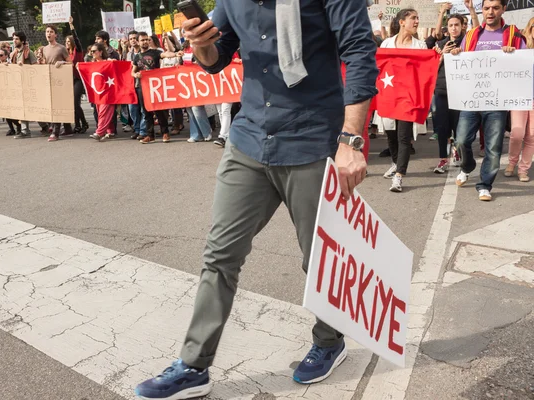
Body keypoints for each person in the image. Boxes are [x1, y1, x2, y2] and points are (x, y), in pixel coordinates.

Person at [134, 0, 377, 398]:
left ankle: (331, 341)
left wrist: (351, 139)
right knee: (219, 254)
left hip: (313, 139)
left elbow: (359, 51)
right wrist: (200, 43)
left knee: (319, 259)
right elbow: (216, 59)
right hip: (249, 139)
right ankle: (194, 365)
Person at [451, 0, 526, 201]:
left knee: (493, 147)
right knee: (460, 140)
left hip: (497, 103)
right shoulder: (472, 34)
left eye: (495, 8)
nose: (490, 12)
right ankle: (467, 166)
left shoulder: (514, 35)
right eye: (486, 8)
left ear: (503, 9)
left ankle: (484, 184)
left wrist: (515, 55)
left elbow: (526, 65)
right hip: (472, 99)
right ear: (481, 10)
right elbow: (464, 61)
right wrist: (457, 54)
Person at [379, 9, 427, 193]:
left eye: (417, 18)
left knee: (404, 137)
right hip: (389, 96)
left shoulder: (420, 45)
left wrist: (437, 57)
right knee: (391, 134)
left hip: (408, 99)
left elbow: (425, 71)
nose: (416, 21)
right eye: (413, 18)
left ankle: (399, 176)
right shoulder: (387, 43)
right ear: (401, 21)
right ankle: (395, 162)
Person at [432, 13, 466, 173]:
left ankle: (457, 153)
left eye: (457, 25)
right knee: (442, 128)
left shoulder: (468, 42)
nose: (454, 28)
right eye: (451, 25)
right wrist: (442, 55)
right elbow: (431, 69)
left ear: (462, 26)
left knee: (458, 128)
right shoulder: (440, 45)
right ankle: (443, 159)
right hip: (441, 91)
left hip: (460, 92)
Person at [505, 16, 534, 183]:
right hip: (519, 96)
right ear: (530, 29)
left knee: (532, 136)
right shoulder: (521, 47)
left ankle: (523, 169)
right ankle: (512, 162)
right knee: (517, 133)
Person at [132, 31, 171, 144]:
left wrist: (174, 54)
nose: (145, 42)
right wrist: (136, 75)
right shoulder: (136, 56)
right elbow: (132, 71)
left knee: (159, 110)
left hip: (155, 86)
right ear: (138, 42)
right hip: (142, 86)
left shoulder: (155, 52)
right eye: (142, 40)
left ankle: (165, 133)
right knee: (146, 111)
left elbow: (165, 55)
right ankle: (150, 135)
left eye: (146, 39)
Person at [43, 24, 74, 141]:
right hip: (49, 80)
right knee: (53, 105)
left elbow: (70, 63)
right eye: (47, 32)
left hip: (60, 81)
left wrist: (62, 63)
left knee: (57, 105)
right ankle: (67, 128)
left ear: (55, 34)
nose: (48, 34)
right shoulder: (44, 49)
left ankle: (55, 132)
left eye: (51, 32)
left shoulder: (61, 48)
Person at [10, 31, 38, 139]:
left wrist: (24, 67)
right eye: (13, 39)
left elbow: (36, 68)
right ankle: (24, 130)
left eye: (16, 39)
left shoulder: (28, 53)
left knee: (33, 108)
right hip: (18, 84)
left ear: (22, 41)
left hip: (29, 84)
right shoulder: (13, 54)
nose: (14, 41)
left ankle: (43, 125)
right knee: (22, 107)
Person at [88, 44, 115, 142]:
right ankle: (110, 130)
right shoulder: (92, 63)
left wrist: (114, 62)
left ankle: (99, 133)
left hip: (108, 92)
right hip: (98, 93)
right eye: (91, 51)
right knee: (101, 112)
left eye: (94, 51)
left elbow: (117, 68)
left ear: (100, 52)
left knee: (103, 112)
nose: (92, 53)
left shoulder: (108, 62)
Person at [66, 16, 88, 134]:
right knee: (72, 104)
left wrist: (71, 26)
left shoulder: (77, 51)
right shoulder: (65, 54)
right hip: (69, 80)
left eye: (69, 41)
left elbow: (77, 39)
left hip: (78, 79)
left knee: (75, 102)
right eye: (66, 42)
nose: (67, 43)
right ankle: (77, 125)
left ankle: (84, 123)